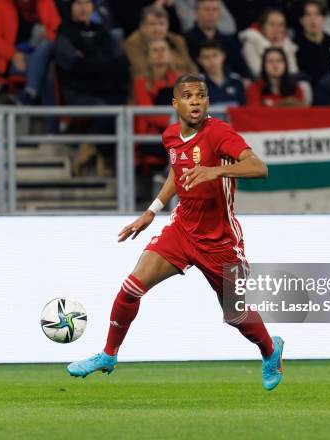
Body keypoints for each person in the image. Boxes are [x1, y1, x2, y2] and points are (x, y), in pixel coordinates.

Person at [66, 73, 285, 391]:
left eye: (201, 95)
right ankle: (108, 354)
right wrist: (151, 211)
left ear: (207, 102)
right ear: (175, 103)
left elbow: (259, 167)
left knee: (236, 315)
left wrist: (216, 169)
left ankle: (270, 350)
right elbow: (177, 173)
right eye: (188, 95)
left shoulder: (220, 134)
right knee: (131, 286)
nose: (195, 100)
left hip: (220, 239)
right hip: (182, 229)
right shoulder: (170, 137)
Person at [55, 0, 130, 176]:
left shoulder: (102, 31)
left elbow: (121, 64)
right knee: (110, 113)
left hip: (108, 90)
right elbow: (74, 66)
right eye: (78, 3)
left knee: (125, 110)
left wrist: (89, 62)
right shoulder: (64, 33)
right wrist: (103, 64)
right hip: (79, 93)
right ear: (71, 7)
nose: (83, 8)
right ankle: (97, 152)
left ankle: (92, 149)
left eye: (87, 3)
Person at [0, 0, 61, 104]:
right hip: (14, 59)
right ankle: (49, 116)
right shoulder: (1, 4)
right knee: (49, 72)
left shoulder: (46, 2)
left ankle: (30, 91)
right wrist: (13, 55)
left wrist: (45, 35)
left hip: (42, 56)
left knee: (46, 47)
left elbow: (58, 32)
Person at [123, 5, 198, 78]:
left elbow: (190, 67)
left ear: (167, 25)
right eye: (152, 24)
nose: (157, 29)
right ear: (142, 26)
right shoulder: (132, 43)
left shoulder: (178, 40)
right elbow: (141, 70)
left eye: (161, 24)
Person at [184, 0, 252, 79]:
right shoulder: (185, 40)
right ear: (196, 13)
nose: (211, 14)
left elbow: (243, 69)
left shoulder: (229, 41)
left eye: (215, 9)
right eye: (206, 9)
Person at [240, 8, 299, 78]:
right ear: (262, 26)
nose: (277, 29)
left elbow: (293, 71)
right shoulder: (250, 42)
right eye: (272, 24)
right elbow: (257, 73)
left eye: (281, 25)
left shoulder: (286, 43)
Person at [295, 0, 330, 86]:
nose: (313, 19)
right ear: (301, 20)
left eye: (317, 14)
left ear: (324, 18)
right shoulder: (294, 46)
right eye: (308, 15)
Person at [198, 39, 246, 106]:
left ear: (223, 56)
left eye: (215, 55)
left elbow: (243, 110)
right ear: (200, 61)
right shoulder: (196, 84)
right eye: (206, 57)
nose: (211, 61)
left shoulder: (236, 81)